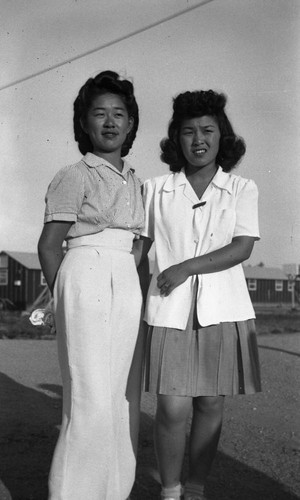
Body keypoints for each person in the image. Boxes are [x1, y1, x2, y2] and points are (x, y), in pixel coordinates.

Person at [135, 89, 261, 500]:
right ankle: (169, 492)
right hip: (168, 311)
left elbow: (242, 248)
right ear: (176, 139)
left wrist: (185, 267)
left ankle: (195, 489)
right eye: (188, 132)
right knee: (171, 408)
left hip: (223, 310)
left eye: (208, 130)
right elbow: (139, 252)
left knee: (210, 405)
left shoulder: (241, 188)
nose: (199, 139)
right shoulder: (155, 189)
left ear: (223, 136)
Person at [38, 70, 145, 500]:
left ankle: (112, 492)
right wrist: (66, 298)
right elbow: (48, 246)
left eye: (119, 113)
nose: (110, 122)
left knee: (119, 400)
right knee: (89, 400)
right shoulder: (74, 174)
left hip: (124, 277)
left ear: (131, 123)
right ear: (84, 123)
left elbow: (138, 245)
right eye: (99, 113)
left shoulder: (136, 179)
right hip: (84, 274)